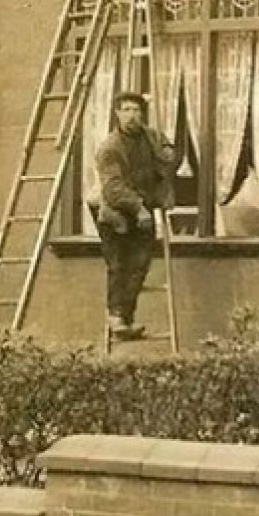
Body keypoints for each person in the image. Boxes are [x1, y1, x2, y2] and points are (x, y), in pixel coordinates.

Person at [89, 90, 176, 339]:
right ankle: (116, 316)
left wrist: (169, 152)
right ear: (117, 113)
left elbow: (167, 146)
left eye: (136, 110)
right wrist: (138, 208)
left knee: (140, 264)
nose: (132, 115)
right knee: (118, 265)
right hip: (115, 212)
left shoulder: (150, 136)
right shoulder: (110, 148)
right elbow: (113, 188)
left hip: (144, 210)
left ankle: (125, 319)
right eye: (126, 110)